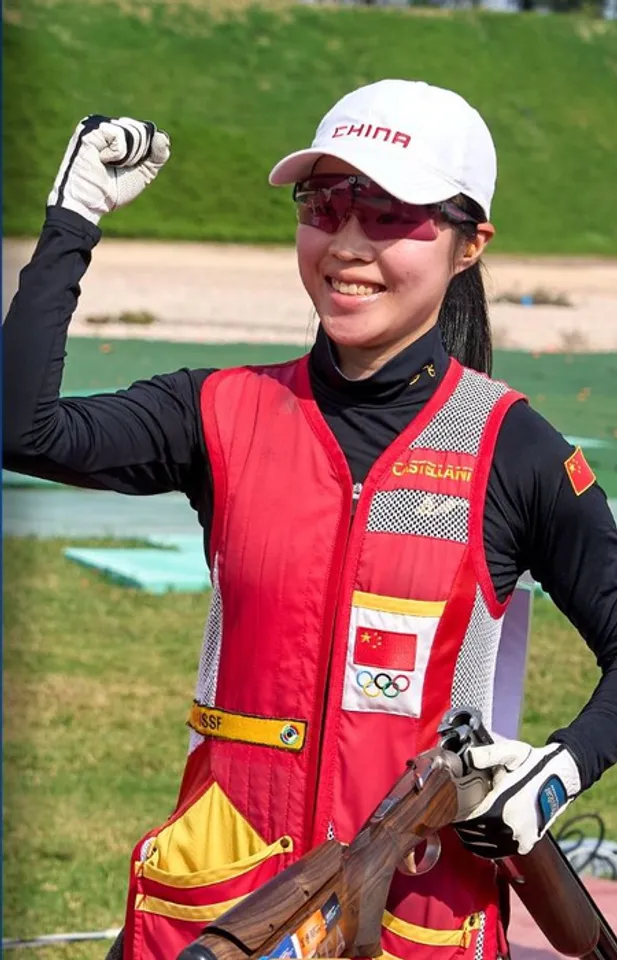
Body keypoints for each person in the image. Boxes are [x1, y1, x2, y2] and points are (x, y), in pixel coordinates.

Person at [4, 81, 617, 960]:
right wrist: (71, 221)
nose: (348, 242)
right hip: (223, 909)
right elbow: (22, 428)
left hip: (415, 918)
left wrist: (554, 777)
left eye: (391, 213)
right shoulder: (218, 410)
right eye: (324, 203)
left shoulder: (512, 449)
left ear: (468, 244)